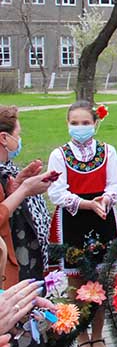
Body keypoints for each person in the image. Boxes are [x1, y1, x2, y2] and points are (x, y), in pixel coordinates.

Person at [47, 101, 117, 347]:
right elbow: (57, 192)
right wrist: (85, 204)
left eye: (85, 123)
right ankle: (81, 337)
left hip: (102, 219)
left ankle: (99, 335)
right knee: (75, 282)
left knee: (100, 281)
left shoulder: (107, 151)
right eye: (74, 123)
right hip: (73, 221)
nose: (80, 128)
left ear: (95, 124)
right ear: (67, 124)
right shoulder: (59, 155)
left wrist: (105, 199)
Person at [0, 106, 53, 288]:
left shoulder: (7, 171)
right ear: (4, 138)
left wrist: (16, 188)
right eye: (18, 134)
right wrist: (24, 190)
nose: (20, 140)